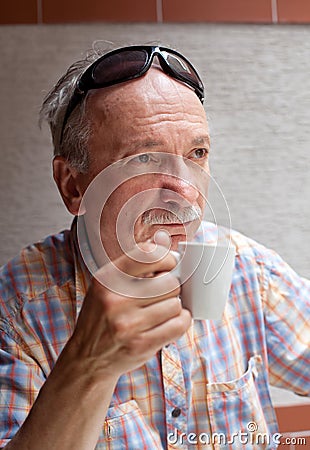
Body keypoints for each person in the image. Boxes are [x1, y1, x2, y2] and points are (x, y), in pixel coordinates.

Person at [0, 44, 309, 450]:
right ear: (73, 185)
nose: (186, 193)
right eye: (144, 158)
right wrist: (89, 366)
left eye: (196, 153)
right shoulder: (19, 309)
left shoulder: (245, 268)